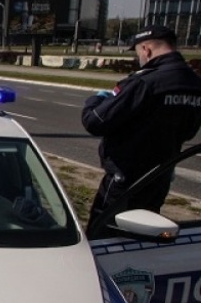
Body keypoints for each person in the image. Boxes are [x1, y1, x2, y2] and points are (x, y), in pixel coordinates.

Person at [81, 25, 201, 231]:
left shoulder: (145, 82)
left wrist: (95, 100)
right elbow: (189, 131)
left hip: (125, 179)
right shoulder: (194, 84)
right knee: (144, 233)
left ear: (146, 49)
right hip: (159, 177)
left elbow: (95, 121)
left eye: (138, 53)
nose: (139, 58)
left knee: (104, 232)